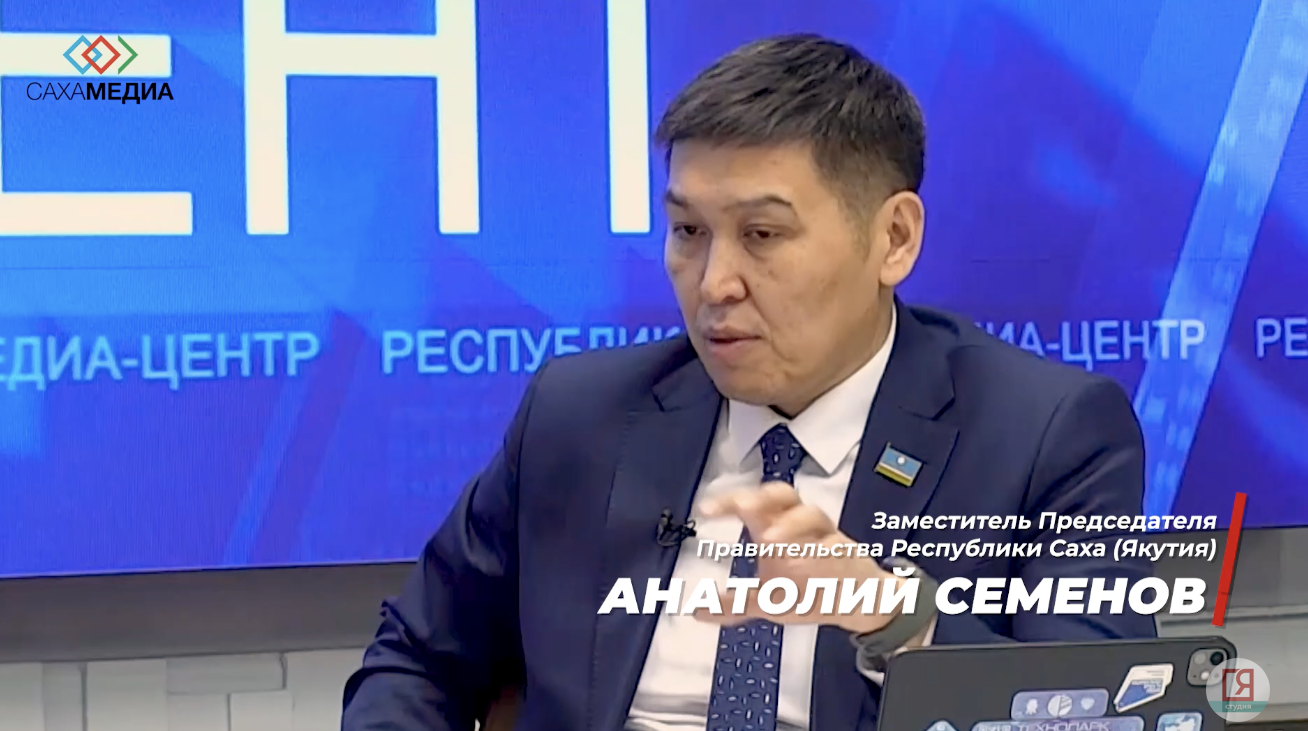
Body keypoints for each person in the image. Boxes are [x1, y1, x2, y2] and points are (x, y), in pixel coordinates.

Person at [341, 33, 1156, 731]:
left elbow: (1100, 710)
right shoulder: (580, 415)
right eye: (688, 230)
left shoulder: (1047, 433)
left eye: (762, 234)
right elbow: (415, 659)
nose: (713, 282)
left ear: (894, 238)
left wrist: (894, 614)